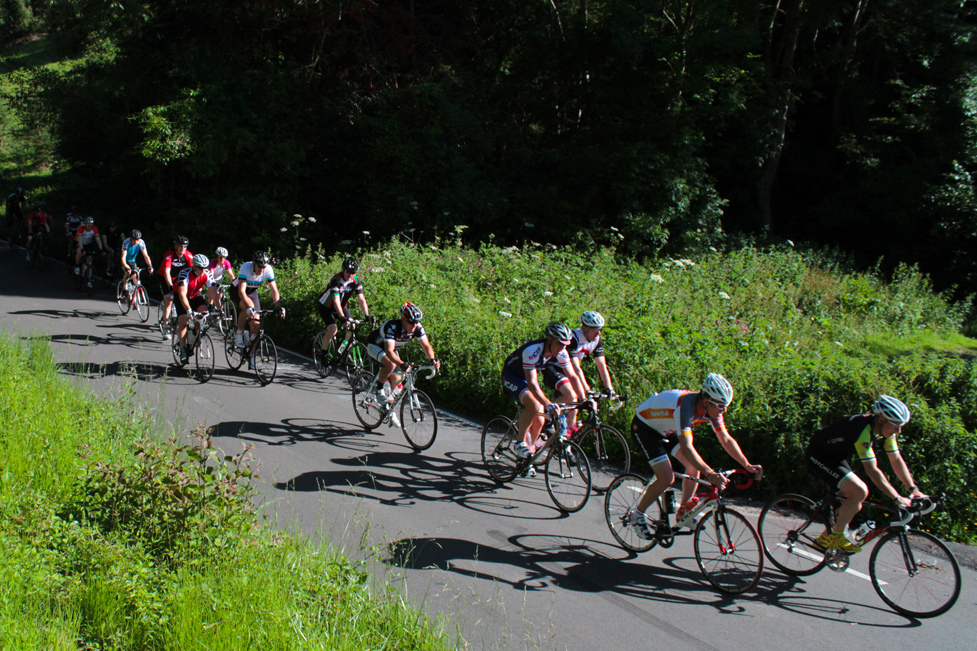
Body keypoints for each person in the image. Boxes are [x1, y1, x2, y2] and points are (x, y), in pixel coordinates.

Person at [628, 373, 763, 540]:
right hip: (645, 428)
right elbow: (686, 447)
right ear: (706, 401)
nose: (724, 410)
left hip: (667, 428)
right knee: (666, 477)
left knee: (693, 466)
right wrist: (710, 473)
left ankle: (683, 513)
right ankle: (637, 514)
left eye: (726, 405)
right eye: (721, 406)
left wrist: (747, 465)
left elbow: (726, 439)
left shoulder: (711, 409)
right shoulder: (686, 406)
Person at [805, 395, 925, 554]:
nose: (899, 431)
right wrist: (896, 498)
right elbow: (872, 470)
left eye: (901, 426)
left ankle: (825, 538)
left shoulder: (885, 429)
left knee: (852, 498)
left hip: (835, 457)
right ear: (881, 420)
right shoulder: (862, 430)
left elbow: (896, 459)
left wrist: (913, 489)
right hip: (818, 455)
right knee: (860, 491)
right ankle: (836, 537)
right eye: (896, 426)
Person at [501, 323, 576, 459]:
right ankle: (520, 442)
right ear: (549, 339)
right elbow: (532, 384)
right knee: (535, 404)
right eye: (559, 343)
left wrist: (584, 399)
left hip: (526, 379)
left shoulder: (561, 352)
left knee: (540, 420)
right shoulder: (532, 350)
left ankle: (528, 454)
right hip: (512, 376)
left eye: (565, 345)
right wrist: (548, 404)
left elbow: (573, 376)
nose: (562, 348)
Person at [364, 302, 440, 427]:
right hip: (376, 346)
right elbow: (389, 351)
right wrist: (402, 363)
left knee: (397, 382)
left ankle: (389, 410)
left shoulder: (417, 327)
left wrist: (433, 359)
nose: (414, 325)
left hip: (391, 349)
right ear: (404, 320)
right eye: (411, 322)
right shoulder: (393, 327)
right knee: (390, 364)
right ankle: (379, 389)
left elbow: (426, 346)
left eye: (416, 322)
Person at [230, 251, 285, 368]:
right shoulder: (246, 267)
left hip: (252, 291)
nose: (262, 270)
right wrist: (250, 307)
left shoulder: (268, 269)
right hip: (238, 291)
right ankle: (239, 332)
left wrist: (278, 307)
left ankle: (251, 354)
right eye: (259, 266)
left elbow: (274, 290)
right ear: (254, 263)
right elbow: (241, 291)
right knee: (248, 307)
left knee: (256, 324)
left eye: (264, 267)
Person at [316, 256, 375, 358]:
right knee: (333, 329)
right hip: (326, 306)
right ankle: (323, 352)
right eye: (349, 272)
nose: (350, 275)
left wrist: (367, 314)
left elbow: (361, 299)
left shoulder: (355, 280)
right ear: (343, 269)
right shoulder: (336, 280)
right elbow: (336, 301)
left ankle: (341, 351)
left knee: (352, 327)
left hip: (342, 306)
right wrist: (342, 318)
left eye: (353, 273)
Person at [173, 254, 212, 364]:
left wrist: (218, 309)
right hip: (181, 296)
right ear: (194, 266)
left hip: (194, 294)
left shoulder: (207, 274)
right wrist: (189, 310)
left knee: (203, 314)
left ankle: (193, 334)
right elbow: (182, 295)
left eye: (205, 268)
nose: (203, 270)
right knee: (184, 320)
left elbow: (213, 291)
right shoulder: (184, 274)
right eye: (200, 268)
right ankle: (182, 348)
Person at [156, 235, 193, 340]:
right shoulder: (169, 255)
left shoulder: (188, 255)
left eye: (185, 247)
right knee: (169, 300)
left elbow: (192, 271)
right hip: (165, 278)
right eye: (180, 246)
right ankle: (166, 325)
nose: (182, 249)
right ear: (176, 246)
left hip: (178, 278)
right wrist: (170, 286)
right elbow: (167, 272)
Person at [73, 217, 104, 284]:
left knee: (89, 261)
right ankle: (77, 265)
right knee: (80, 252)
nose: (90, 227)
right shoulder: (81, 228)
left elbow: (98, 240)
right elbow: (79, 240)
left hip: (88, 244)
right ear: (85, 224)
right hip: (78, 242)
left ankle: (89, 279)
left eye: (91, 225)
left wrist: (101, 249)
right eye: (88, 225)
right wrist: (82, 249)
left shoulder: (94, 228)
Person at [206, 247, 233, 313]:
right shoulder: (213, 263)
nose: (222, 259)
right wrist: (213, 281)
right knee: (213, 291)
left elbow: (230, 274)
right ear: (217, 257)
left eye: (224, 257)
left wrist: (234, 282)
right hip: (211, 278)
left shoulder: (226, 263)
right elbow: (211, 274)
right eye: (220, 257)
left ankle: (217, 308)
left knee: (220, 295)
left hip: (219, 279)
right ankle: (210, 304)